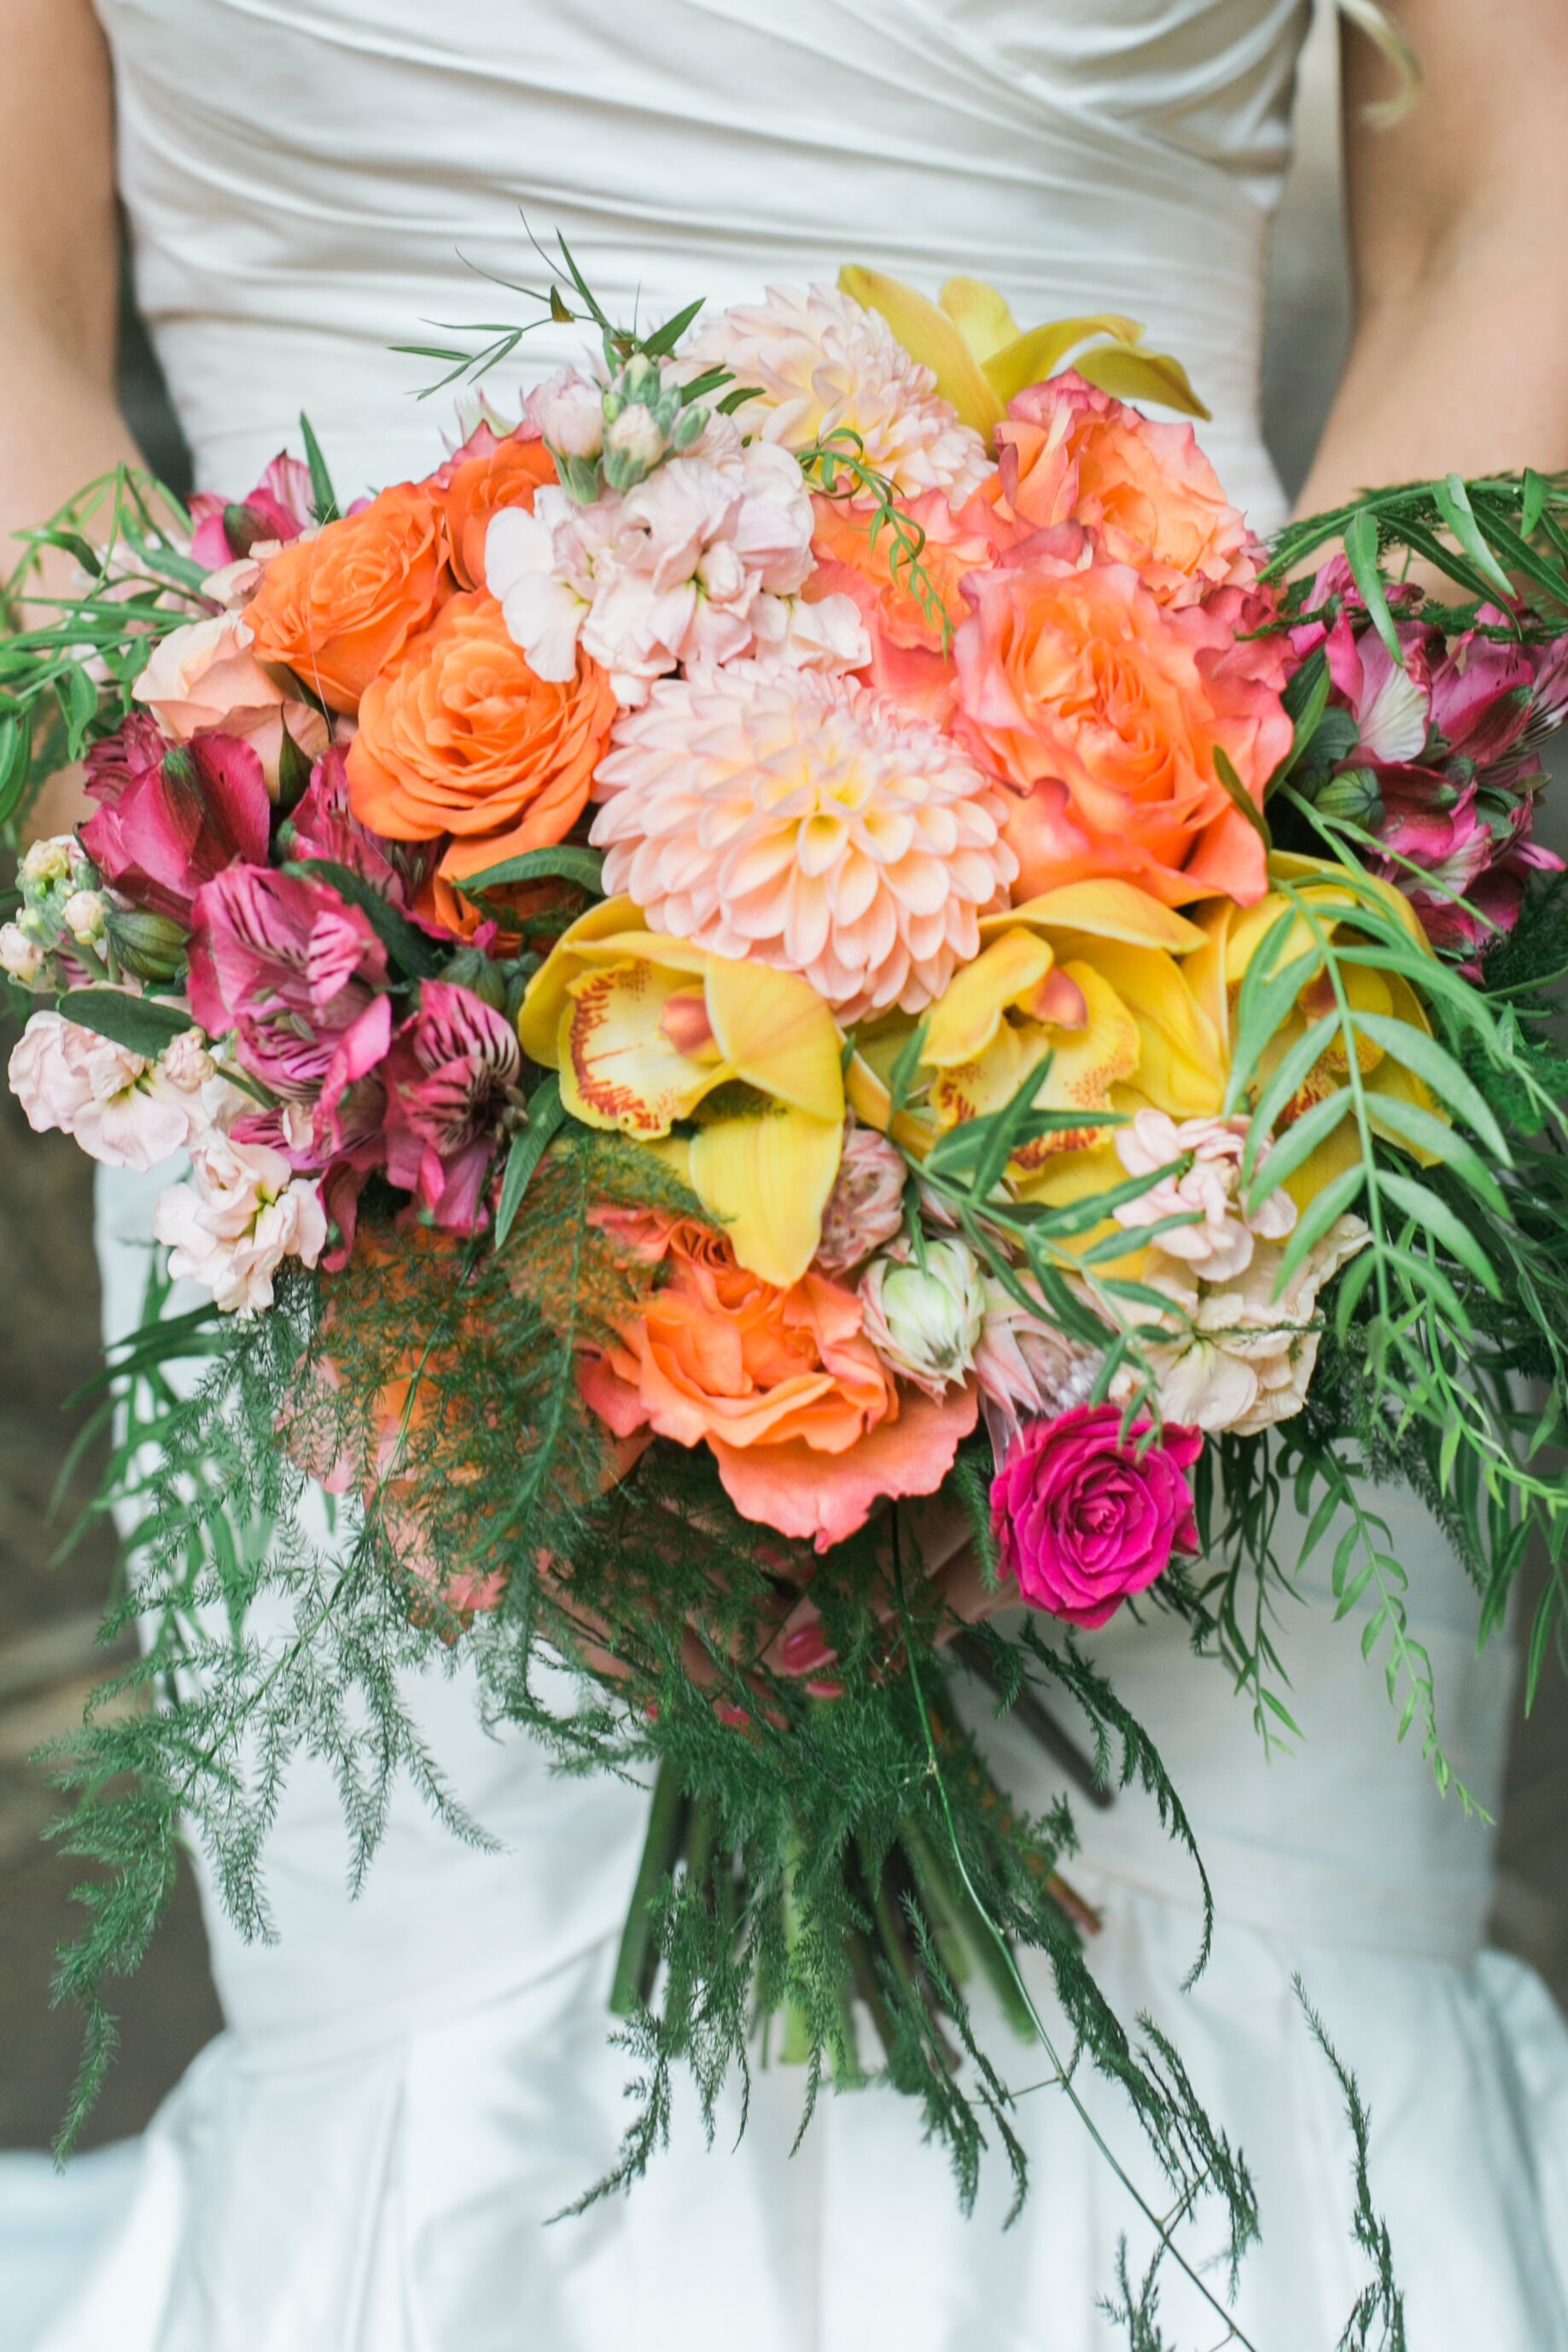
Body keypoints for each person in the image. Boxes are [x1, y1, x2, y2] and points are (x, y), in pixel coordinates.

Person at [3, 2, 1567, 2345]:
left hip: (1220, 995)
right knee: (479, 2143)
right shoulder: (343, 1062)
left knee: (1252, 2086)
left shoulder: (1242, 1013)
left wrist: (1241, 991)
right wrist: (314, 1008)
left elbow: (1508, 187)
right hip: (356, 1072)